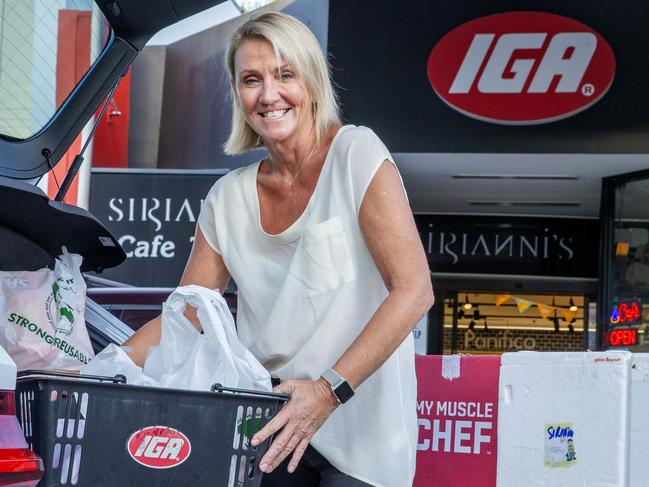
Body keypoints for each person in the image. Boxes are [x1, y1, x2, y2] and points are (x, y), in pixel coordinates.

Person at [124, 11, 433, 487]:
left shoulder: (356, 154)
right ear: (238, 95)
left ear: (310, 81)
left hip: (361, 431)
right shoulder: (227, 198)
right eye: (251, 80)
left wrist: (328, 391)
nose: (269, 95)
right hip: (267, 421)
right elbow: (184, 318)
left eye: (284, 74)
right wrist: (99, 370)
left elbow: (414, 291)